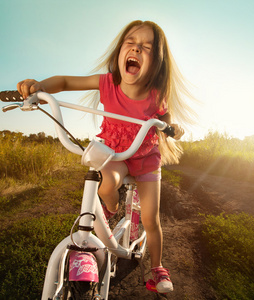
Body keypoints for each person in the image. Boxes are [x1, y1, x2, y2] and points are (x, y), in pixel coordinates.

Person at [17, 20, 196, 294]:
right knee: (107, 183)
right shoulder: (107, 82)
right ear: (120, 51)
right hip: (116, 153)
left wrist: (174, 128)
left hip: (146, 159)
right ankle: (110, 209)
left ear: (157, 63)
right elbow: (65, 82)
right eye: (131, 42)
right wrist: (40, 86)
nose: (136, 48)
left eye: (146, 47)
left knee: (150, 218)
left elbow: (166, 118)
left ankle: (157, 265)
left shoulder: (156, 94)